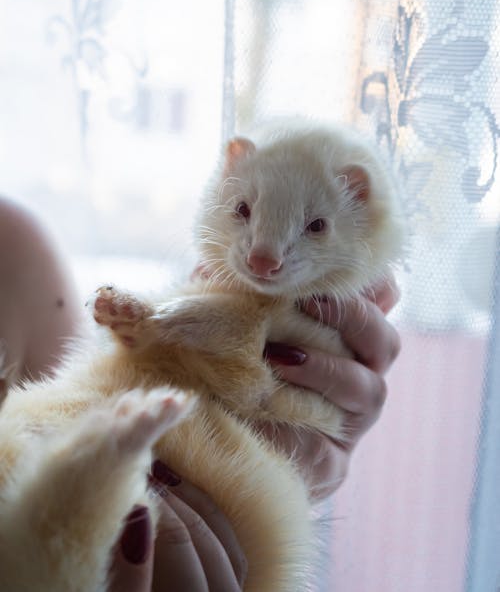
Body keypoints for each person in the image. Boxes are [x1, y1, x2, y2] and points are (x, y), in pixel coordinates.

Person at [0, 196, 400, 592]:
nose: (266, 256)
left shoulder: (13, 250)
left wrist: (286, 446)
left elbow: (97, 405)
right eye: (244, 210)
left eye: (315, 228)